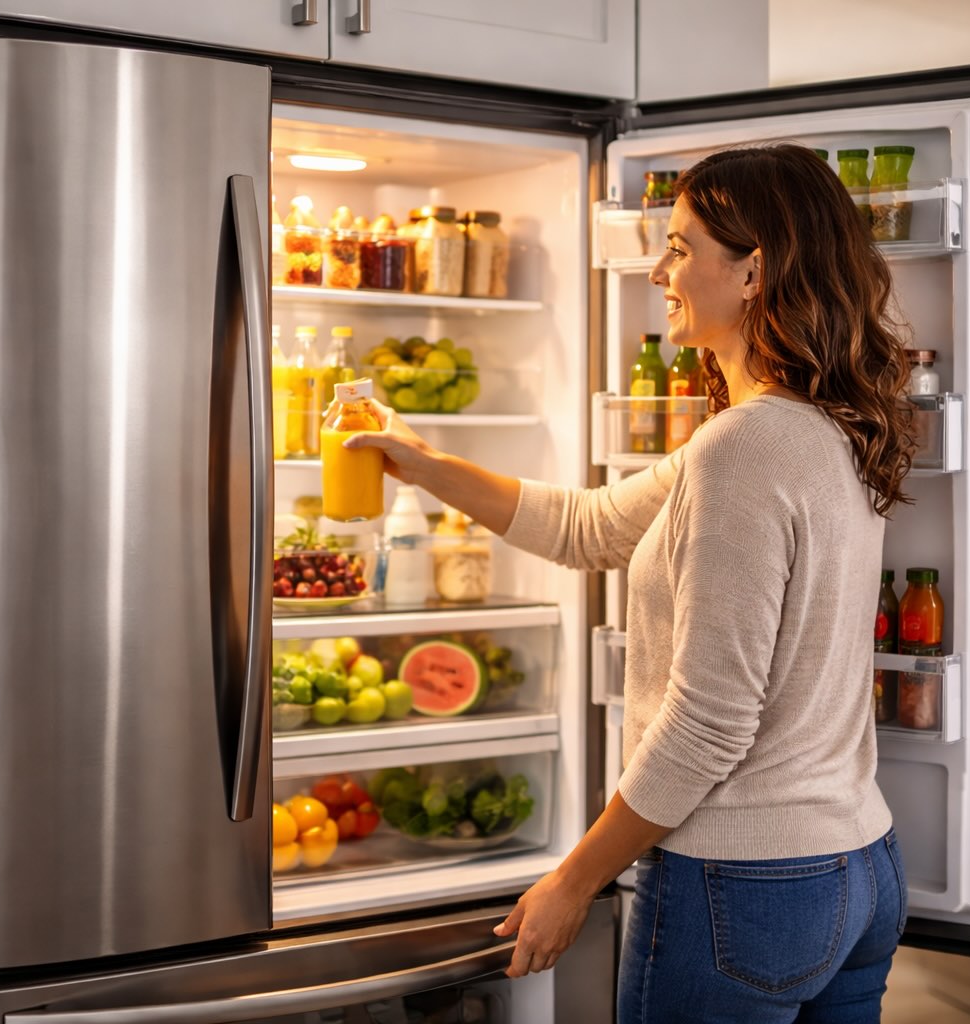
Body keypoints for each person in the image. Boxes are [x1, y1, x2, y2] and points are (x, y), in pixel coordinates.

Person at [342, 143, 916, 1022]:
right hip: (859, 867)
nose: (658, 270)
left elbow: (710, 721)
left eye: (682, 249)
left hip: (742, 884)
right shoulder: (822, 427)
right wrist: (417, 463)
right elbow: (585, 526)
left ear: (755, 269)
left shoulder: (744, 449)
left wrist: (577, 878)